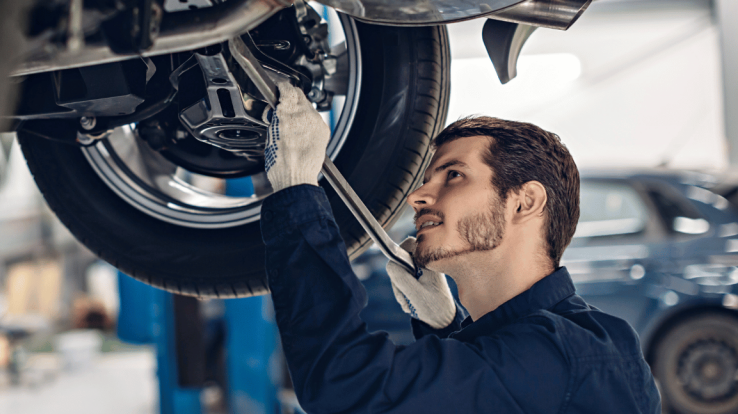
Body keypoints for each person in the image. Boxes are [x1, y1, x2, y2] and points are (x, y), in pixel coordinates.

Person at [260, 83, 660, 413]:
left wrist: (297, 190)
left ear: (525, 202)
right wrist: (445, 329)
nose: (417, 196)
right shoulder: (575, 341)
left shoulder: (560, 353)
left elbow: (344, 385)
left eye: (453, 175)